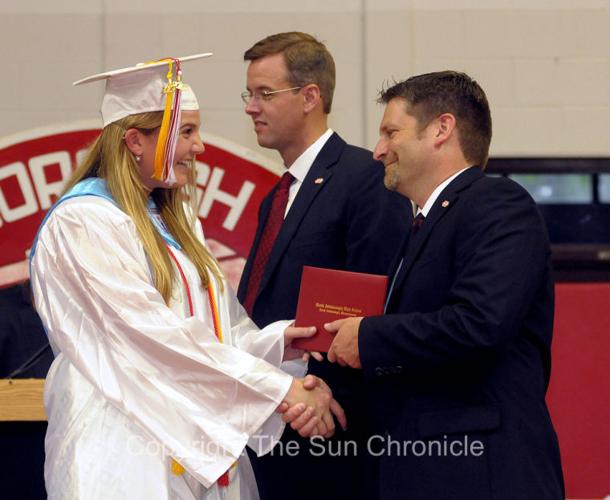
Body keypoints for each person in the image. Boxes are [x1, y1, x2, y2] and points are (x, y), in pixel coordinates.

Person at [29, 54, 345, 500]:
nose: (199, 147)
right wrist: (279, 389)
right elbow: (147, 336)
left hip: (195, 442)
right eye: (187, 132)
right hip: (123, 446)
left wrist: (276, 346)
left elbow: (214, 334)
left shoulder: (177, 223)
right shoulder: (85, 223)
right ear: (135, 141)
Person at [326, 71, 565, 499]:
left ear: (441, 128)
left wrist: (368, 335)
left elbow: (479, 325)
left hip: (482, 475)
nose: (378, 150)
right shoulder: (419, 227)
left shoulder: (497, 203)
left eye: (390, 132)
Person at [237, 32, 411, 500]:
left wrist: (319, 399)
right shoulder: (276, 196)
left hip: (331, 429)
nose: (251, 107)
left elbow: (372, 310)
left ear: (310, 96)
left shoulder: (363, 179)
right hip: (269, 420)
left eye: (264, 94)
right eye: (248, 94)